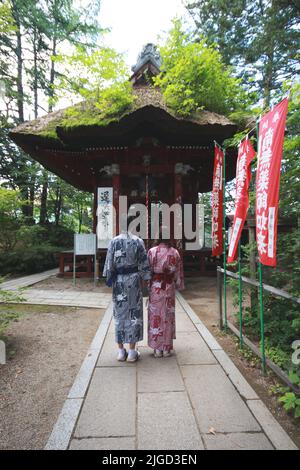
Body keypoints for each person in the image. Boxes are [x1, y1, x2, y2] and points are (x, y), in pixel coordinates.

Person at [103, 215, 151, 362]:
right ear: (134, 225)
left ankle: (120, 351)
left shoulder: (114, 241)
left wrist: (109, 278)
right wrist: (147, 281)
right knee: (134, 315)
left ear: (120, 225)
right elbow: (144, 265)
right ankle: (131, 351)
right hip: (134, 281)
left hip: (119, 282)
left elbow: (109, 265)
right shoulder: (138, 241)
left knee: (119, 315)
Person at [147, 231, 184, 358]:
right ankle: (167, 349)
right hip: (169, 287)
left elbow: (148, 272)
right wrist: (179, 284)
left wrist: (147, 288)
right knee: (168, 317)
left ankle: (157, 349)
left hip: (156, 287)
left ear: (158, 237)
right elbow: (178, 273)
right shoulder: (175, 252)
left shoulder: (151, 252)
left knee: (155, 316)